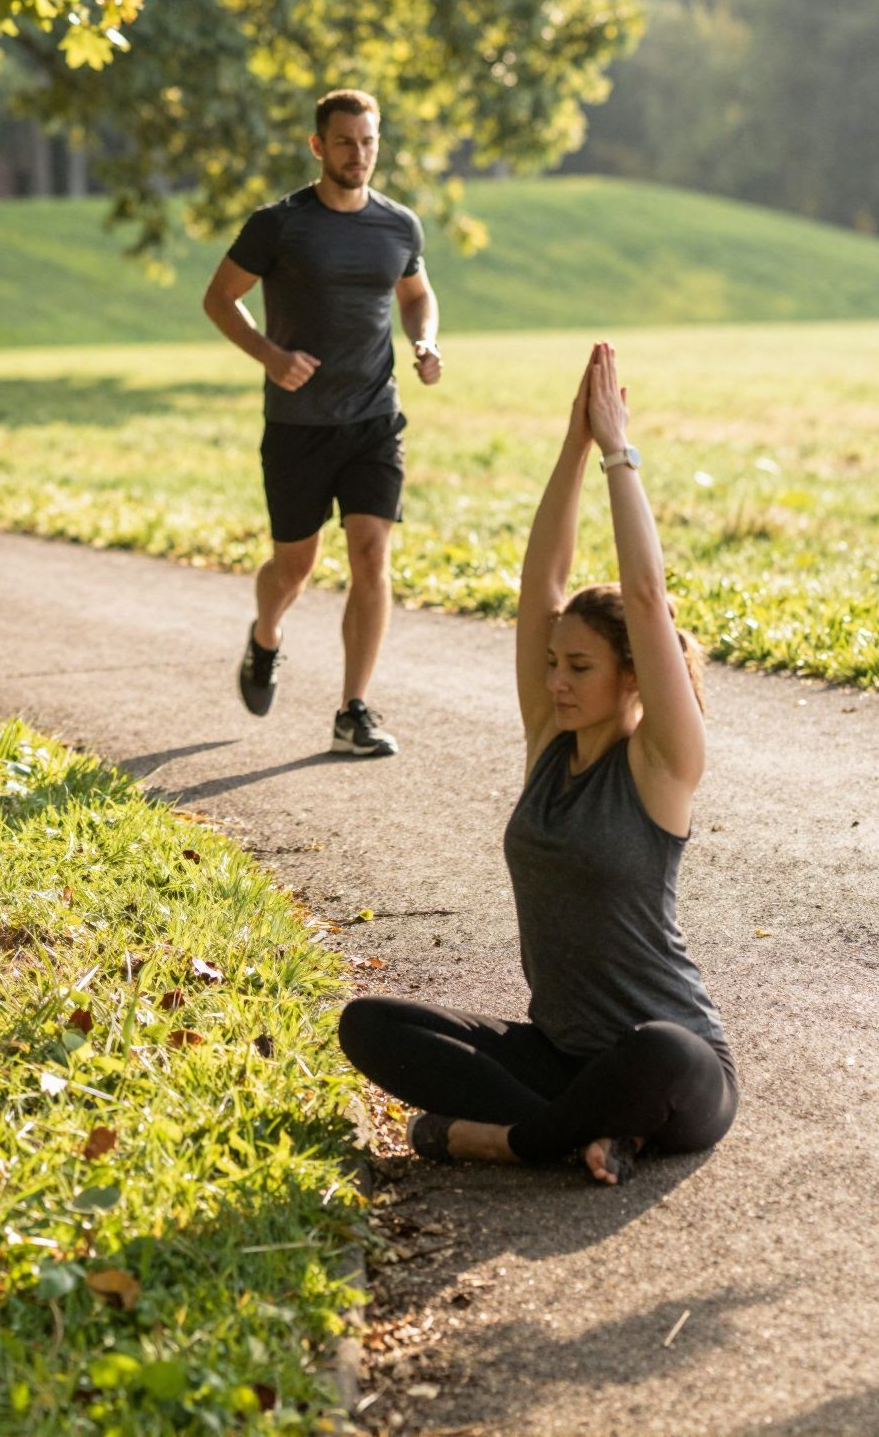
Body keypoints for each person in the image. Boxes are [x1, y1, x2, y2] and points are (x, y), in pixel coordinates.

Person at [338, 342, 737, 1182]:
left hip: (677, 1063)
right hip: (562, 1057)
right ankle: (588, 1134)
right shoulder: (549, 746)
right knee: (370, 1024)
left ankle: (507, 1141)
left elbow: (644, 592)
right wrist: (572, 445)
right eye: (552, 663)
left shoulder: (664, 763)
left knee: (657, 1053)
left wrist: (619, 453)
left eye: (579, 668)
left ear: (634, 676)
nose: (555, 680)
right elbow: (540, 583)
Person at [202, 88, 442, 757]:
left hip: (373, 419)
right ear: (318, 146)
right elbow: (219, 298)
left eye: (368, 142)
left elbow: (417, 295)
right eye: (344, 142)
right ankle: (266, 635)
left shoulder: (399, 226)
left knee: (371, 555)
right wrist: (270, 356)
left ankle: (353, 711)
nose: (358, 155)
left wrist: (424, 340)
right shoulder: (279, 224)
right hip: (298, 426)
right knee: (294, 568)